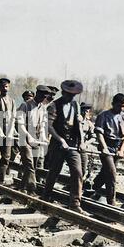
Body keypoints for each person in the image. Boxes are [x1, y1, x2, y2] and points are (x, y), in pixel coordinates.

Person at [43, 80, 86, 214]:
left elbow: (78, 126)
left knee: (77, 172)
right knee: (54, 171)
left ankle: (75, 203)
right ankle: (46, 196)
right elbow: (49, 126)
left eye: (73, 95)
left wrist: (82, 141)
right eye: (68, 95)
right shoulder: (54, 106)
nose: (71, 97)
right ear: (63, 92)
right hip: (58, 144)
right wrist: (61, 140)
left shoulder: (76, 105)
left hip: (73, 144)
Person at [92, 93, 124, 206]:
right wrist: (104, 148)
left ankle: (95, 185)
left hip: (117, 147)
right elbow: (99, 134)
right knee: (112, 173)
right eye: (119, 106)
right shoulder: (103, 116)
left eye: (123, 106)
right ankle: (111, 203)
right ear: (113, 104)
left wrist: (122, 150)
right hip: (106, 145)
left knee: (107, 171)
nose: (121, 108)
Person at [16, 85, 50, 195]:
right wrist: (27, 136)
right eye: (41, 96)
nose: (43, 98)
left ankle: (22, 187)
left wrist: (44, 138)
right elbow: (20, 124)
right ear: (37, 94)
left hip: (36, 139)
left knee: (32, 166)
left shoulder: (43, 108)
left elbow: (43, 126)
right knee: (29, 164)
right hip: (24, 138)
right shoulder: (25, 105)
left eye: (45, 97)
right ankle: (32, 189)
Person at [80, 102, 95, 179]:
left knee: (83, 168)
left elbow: (93, 137)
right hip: (73, 146)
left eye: (87, 111)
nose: (85, 113)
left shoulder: (89, 124)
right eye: (83, 110)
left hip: (82, 148)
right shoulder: (75, 121)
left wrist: (86, 143)